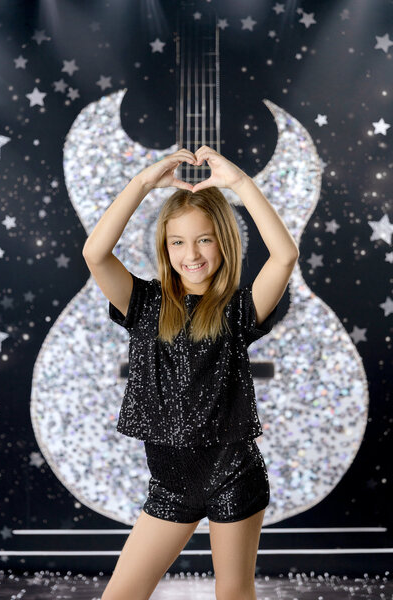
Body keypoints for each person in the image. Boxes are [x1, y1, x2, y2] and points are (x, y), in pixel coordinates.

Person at [83, 146, 299, 600]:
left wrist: (240, 184)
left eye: (204, 239)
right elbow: (95, 253)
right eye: (178, 242)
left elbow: (284, 256)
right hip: (171, 482)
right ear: (164, 247)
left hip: (233, 473)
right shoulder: (143, 304)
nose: (191, 254)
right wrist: (141, 184)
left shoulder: (239, 311)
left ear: (223, 241)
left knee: (233, 592)